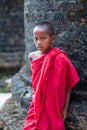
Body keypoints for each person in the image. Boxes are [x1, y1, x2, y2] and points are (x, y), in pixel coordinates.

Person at [23, 21, 80, 130]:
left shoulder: (60, 58)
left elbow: (68, 85)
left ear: (52, 38)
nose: (39, 42)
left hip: (54, 104)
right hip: (37, 102)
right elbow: (36, 82)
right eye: (36, 38)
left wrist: (66, 108)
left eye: (43, 38)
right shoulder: (32, 57)